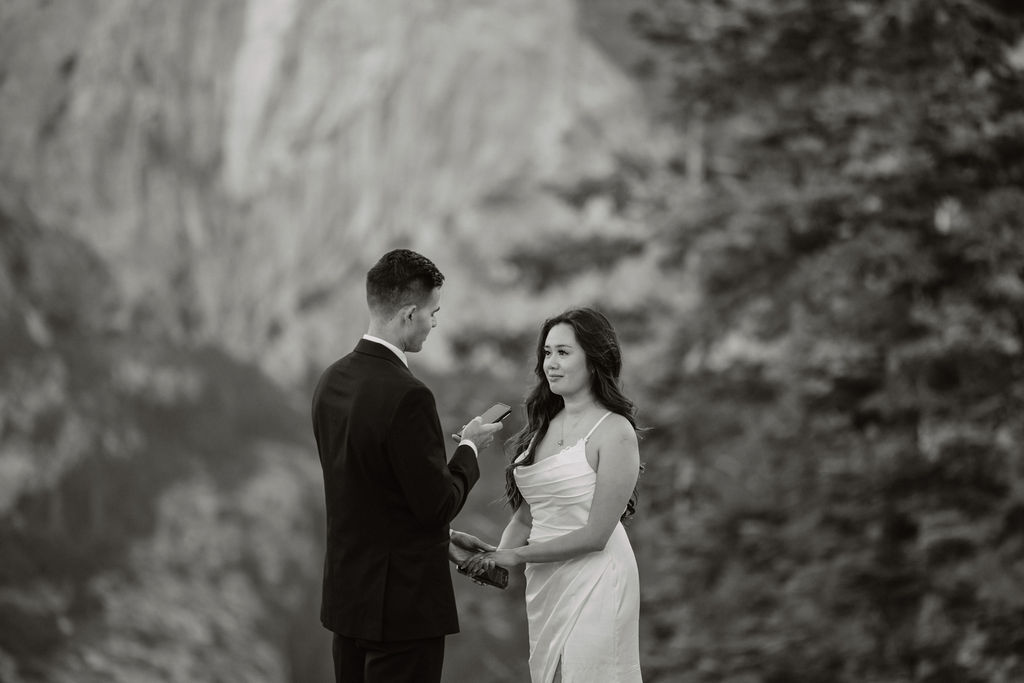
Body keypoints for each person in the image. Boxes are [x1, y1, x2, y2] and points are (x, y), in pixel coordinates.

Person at [311, 248, 503, 683]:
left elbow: (366, 494)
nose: (435, 323)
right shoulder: (409, 395)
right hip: (401, 614)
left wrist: (442, 539)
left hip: (347, 603)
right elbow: (436, 504)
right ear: (410, 314)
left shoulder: (330, 382)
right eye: (434, 312)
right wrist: (470, 448)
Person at [463, 307, 643, 683]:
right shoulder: (542, 425)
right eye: (547, 353)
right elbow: (526, 517)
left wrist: (516, 554)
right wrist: (494, 558)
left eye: (564, 352)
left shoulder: (615, 432)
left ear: (593, 361)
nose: (551, 363)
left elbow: (595, 536)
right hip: (545, 581)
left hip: (598, 577)